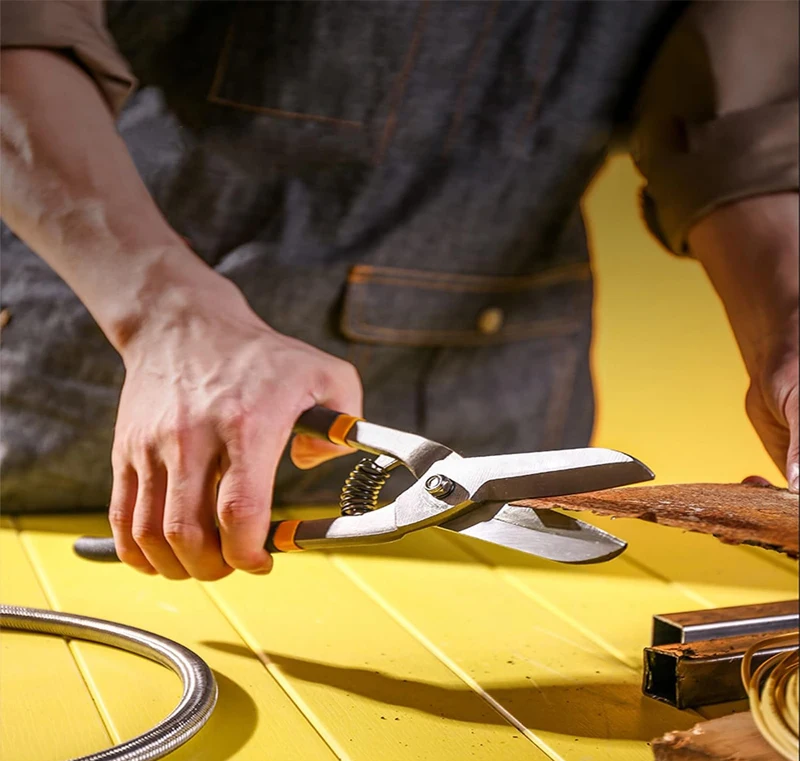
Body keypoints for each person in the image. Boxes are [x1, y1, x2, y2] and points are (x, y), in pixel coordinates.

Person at [1, 0, 797, 582]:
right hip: (82, 401)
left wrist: (789, 341)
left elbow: (748, 111)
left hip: (490, 410)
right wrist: (163, 313)